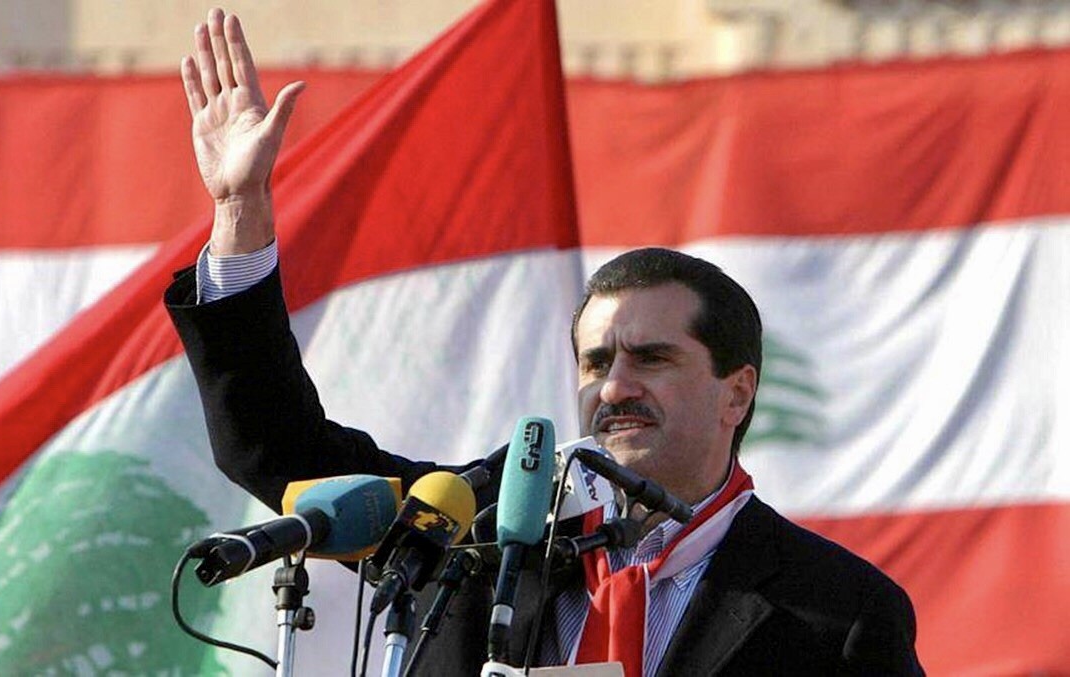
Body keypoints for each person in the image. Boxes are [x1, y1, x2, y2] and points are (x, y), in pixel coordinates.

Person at [165, 8, 924, 676]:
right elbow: (276, 446)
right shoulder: (478, 534)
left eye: (653, 358)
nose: (614, 386)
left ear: (738, 392)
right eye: (596, 362)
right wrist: (239, 211)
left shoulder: (839, 611)